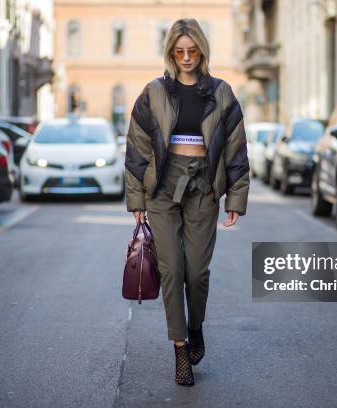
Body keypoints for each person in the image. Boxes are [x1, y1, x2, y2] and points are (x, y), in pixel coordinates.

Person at [124, 18, 250, 386]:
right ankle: (180, 349)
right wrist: (136, 199)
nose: (185, 58)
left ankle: (195, 328)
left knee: (196, 272)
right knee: (171, 270)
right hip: (162, 189)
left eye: (191, 51)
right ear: (170, 53)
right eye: (178, 52)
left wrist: (236, 199)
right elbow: (136, 150)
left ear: (201, 51)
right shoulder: (153, 93)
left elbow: (236, 149)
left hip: (204, 188)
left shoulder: (222, 93)